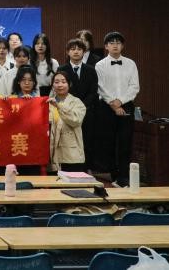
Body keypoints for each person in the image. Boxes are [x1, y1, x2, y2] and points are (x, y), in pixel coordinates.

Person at [94, 31, 139, 187]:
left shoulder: (131, 63)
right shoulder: (100, 65)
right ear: (106, 46)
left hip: (126, 105)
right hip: (107, 107)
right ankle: (113, 175)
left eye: (118, 43)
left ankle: (124, 177)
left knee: (125, 142)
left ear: (122, 46)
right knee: (109, 142)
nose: (115, 45)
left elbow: (134, 86)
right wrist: (113, 104)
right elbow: (100, 87)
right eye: (111, 43)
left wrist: (120, 101)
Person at [57, 38, 99, 170]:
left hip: (87, 111)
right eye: (73, 49)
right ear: (67, 52)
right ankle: (69, 170)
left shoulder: (91, 70)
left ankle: (86, 169)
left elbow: (93, 91)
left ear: (84, 52)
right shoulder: (62, 69)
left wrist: (81, 107)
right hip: (68, 112)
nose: (76, 52)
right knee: (69, 142)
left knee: (87, 141)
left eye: (79, 49)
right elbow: (59, 90)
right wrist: (73, 108)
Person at [48, 71, 87, 172]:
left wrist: (58, 106)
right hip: (52, 154)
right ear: (52, 85)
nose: (60, 85)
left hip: (71, 154)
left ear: (69, 84)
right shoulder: (47, 103)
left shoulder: (77, 102)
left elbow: (75, 120)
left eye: (63, 82)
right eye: (56, 82)